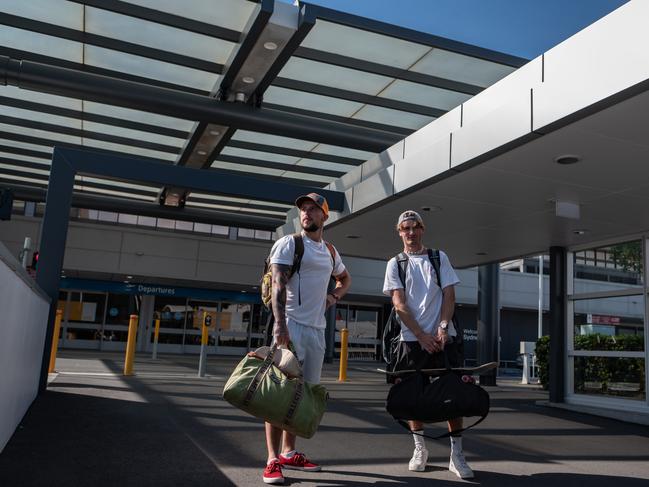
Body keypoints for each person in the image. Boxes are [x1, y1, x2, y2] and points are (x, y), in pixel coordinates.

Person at [262, 192, 352, 485]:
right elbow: (277, 284)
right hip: (290, 326)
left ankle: (290, 452)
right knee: (278, 393)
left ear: (325, 216)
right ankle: (272, 459)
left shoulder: (330, 251)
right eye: (303, 209)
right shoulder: (290, 243)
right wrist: (280, 326)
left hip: (316, 331)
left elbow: (345, 279)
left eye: (313, 209)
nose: (306, 213)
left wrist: (332, 297)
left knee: (302, 395)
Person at [382, 210, 473, 480]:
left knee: (452, 396)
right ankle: (419, 448)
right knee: (413, 397)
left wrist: (442, 328)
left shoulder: (438, 257)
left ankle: (457, 454)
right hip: (411, 340)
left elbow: (449, 294)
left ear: (422, 230)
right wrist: (421, 335)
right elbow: (398, 303)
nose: (410, 232)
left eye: (414, 227)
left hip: (444, 338)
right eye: (405, 228)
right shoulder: (395, 263)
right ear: (399, 232)